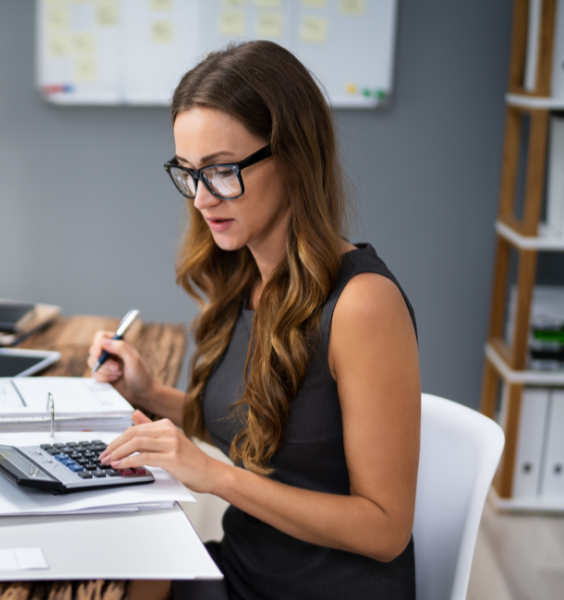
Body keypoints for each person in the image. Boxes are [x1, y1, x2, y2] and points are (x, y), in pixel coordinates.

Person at [88, 40, 420, 600]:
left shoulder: (363, 304)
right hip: (245, 568)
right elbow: (265, 431)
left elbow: (385, 528)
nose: (200, 198)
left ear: (292, 156)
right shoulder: (249, 280)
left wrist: (216, 476)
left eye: (220, 171)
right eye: (188, 173)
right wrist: (151, 394)